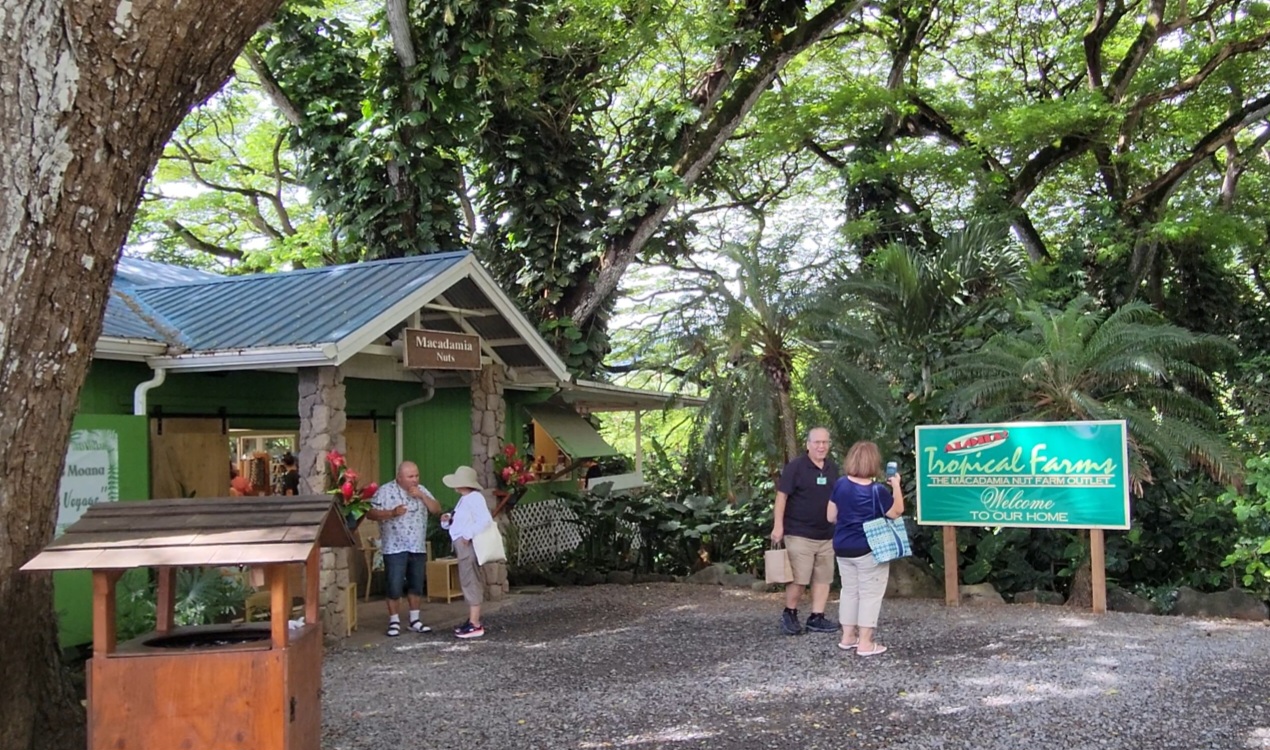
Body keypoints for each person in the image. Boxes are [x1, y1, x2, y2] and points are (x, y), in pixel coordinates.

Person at [827, 440, 904, 657]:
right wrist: (896, 485)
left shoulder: (840, 484)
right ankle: (866, 643)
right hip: (868, 549)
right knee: (870, 595)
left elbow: (830, 516)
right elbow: (896, 511)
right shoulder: (877, 490)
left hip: (842, 547)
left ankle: (847, 637)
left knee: (849, 592)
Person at [770, 427, 840, 635]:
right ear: (808, 444)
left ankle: (816, 616)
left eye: (825, 442)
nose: (821, 446)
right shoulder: (796, 467)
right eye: (817, 442)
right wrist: (778, 525)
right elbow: (782, 496)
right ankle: (790, 612)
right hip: (799, 532)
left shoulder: (832, 468)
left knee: (823, 578)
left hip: (827, 534)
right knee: (799, 578)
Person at [367, 461, 442, 636]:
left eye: (416, 476)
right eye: (410, 477)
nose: (414, 480)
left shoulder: (421, 490)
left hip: (417, 546)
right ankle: (394, 621)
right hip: (394, 547)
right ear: (399, 477)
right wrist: (391, 513)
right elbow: (370, 513)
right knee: (394, 585)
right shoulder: (385, 491)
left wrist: (422, 496)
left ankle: (415, 620)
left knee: (416, 585)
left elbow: (436, 509)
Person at [440, 465, 494, 640]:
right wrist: (448, 520)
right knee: (467, 579)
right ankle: (472, 619)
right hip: (462, 544)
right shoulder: (466, 499)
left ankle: (475, 623)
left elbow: (484, 519)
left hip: (467, 545)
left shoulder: (474, 498)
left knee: (470, 580)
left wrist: (467, 534)